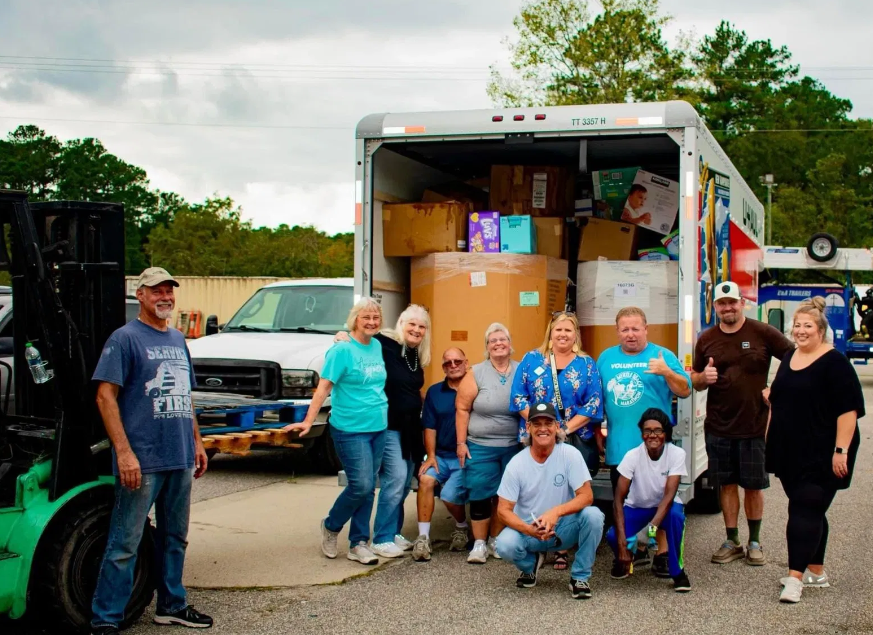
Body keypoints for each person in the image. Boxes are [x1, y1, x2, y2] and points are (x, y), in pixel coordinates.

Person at [90, 267, 212, 635]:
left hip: (178, 456)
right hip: (142, 460)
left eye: (169, 291)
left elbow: (185, 397)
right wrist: (124, 453)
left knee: (176, 536)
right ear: (140, 295)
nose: (165, 297)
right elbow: (104, 396)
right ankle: (106, 618)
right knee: (125, 542)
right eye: (156, 290)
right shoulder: (124, 339)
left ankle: (171, 605)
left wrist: (197, 442)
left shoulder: (177, 338)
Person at [765, 297, 864, 603]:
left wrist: (841, 450)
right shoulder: (791, 357)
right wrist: (769, 439)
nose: (801, 331)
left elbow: (848, 410)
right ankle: (816, 572)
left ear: (821, 330)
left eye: (808, 325)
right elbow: (777, 402)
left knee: (805, 506)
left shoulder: (835, 363)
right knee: (810, 507)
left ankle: (794, 579)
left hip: (824, 450)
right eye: (797, 325)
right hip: (790, 449)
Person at [691, 281, 794, 566]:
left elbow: (794, 357)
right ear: (716, 308)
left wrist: (777, 388)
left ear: (741, 303)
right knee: (726, 485)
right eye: (722, 304)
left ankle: (755, 541)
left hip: (754, 427)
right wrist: (703, 379)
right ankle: (732, 540)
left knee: (753, 486)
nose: (728, 308)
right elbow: (695, 379)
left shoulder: (762, 332)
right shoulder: (707, 338)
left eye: (732, 302)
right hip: (719, 427)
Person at [284, 297, 388, 566]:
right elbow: (323, 388)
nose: (372, 322)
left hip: (378, 426)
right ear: (355, 319)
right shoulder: (341, 351)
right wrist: (308, 421)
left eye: (376, 318)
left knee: (369, 488)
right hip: (350, 428)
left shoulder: (377, 345)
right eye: (366, 317)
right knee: (361, 485)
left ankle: (359, 543)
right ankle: (331, 525)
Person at [597, 306, 691, 576]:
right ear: (617, 331)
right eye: (624, 329)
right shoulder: (605, 358)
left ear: (646, 329)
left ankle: (661, 552)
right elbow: (598, 399)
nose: (630, 334)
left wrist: (667, 372)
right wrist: (596, 432)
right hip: (620, 448)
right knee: (626, 503)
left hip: (656, 450)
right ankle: (629, 552)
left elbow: (684, 390)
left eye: (635, 328)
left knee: (660, 499)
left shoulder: (662, 355)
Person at [333, 304, 431, 558]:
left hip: (410, 428)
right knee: (396, 478)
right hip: (387, 425)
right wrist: (341, 336)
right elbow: (359, 338)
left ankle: (393, 531)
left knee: (404, 481)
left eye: (421, 326)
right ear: (401, 323)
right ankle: (382, 538)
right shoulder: (384, 344)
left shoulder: (414, 353)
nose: (416, 330)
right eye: (412, 324)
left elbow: (410, 389)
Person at [510, 310, 603, 571]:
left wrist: (563, 429)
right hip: (536, 437)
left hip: (573, 438)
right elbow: (518, 397)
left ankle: (562, 545)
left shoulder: (586, 364)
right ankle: (539, 540)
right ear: (550, 332)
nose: (562, 334)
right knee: (539, 489)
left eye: (568, 330)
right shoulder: (532, 359)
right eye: (558, 329)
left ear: (576, 335)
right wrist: (544, 425)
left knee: (570, 490)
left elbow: (594, 402)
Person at [494, 401, 605, 599]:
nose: (543, 428)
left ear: (557, 426)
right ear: (528, 428)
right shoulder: (517, 463)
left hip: (563, 528)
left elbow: (587, 496)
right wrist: (528, 530)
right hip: (530, 529)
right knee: (504, 545)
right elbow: (503, 510)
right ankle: (530, 565)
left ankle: (580, 577)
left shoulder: (570, 454)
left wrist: (555, 512)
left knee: (594, 516)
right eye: (537, 424)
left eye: (548, 423)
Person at [606, 408, 691, 593]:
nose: (652, 435)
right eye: (647, 430)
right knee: (613, 536)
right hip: (638, 507)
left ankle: (678, 573)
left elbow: (669, 497)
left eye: (658, 430)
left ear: (666, 432)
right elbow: (618, 500)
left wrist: (648, 533)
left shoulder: (676, 454)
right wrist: (621, 544)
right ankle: (631, 556)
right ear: (642, 433)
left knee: (677, 518)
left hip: (665, 508)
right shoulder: (632, 456)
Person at [456, 323, 520, 564]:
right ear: (487, 347)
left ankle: (496, 539)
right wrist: (461, 443)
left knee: (506, 496)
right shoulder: (476, 372)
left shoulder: (521, 369)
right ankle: (479, 544)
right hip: (480, 445)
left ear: (510, 344)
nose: (498, 344)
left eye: (502, 339)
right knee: (481, 494)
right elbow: (462, 408)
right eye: (492, 341)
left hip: (514, 445)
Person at [412, 347, 471, 562]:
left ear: (466, 363)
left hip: (465, 457)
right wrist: (431, 456)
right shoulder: (435, 392)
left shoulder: (474, 388)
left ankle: (461, 527)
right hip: (441, 456)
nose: (453, 366)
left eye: (457, 361)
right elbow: (429, 427)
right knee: (426, 480)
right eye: (448, 363)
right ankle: (423, 538)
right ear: (443, 367)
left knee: (449, 496)